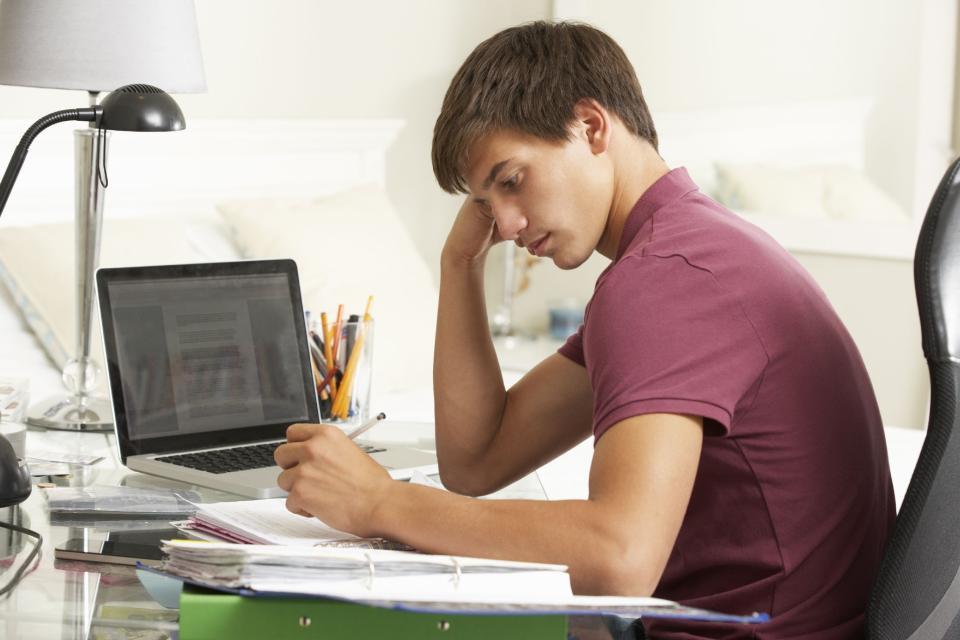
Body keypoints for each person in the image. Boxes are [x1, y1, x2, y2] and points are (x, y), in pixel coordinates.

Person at [274, 21, 895, 639]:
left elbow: (619, 560)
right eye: (488, 204)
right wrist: (459, 265)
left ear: (591, 126)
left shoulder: (661, 282)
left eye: (512, 180)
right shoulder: (694, 250)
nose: (509, 224)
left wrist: (381, 504)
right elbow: (477, 460)